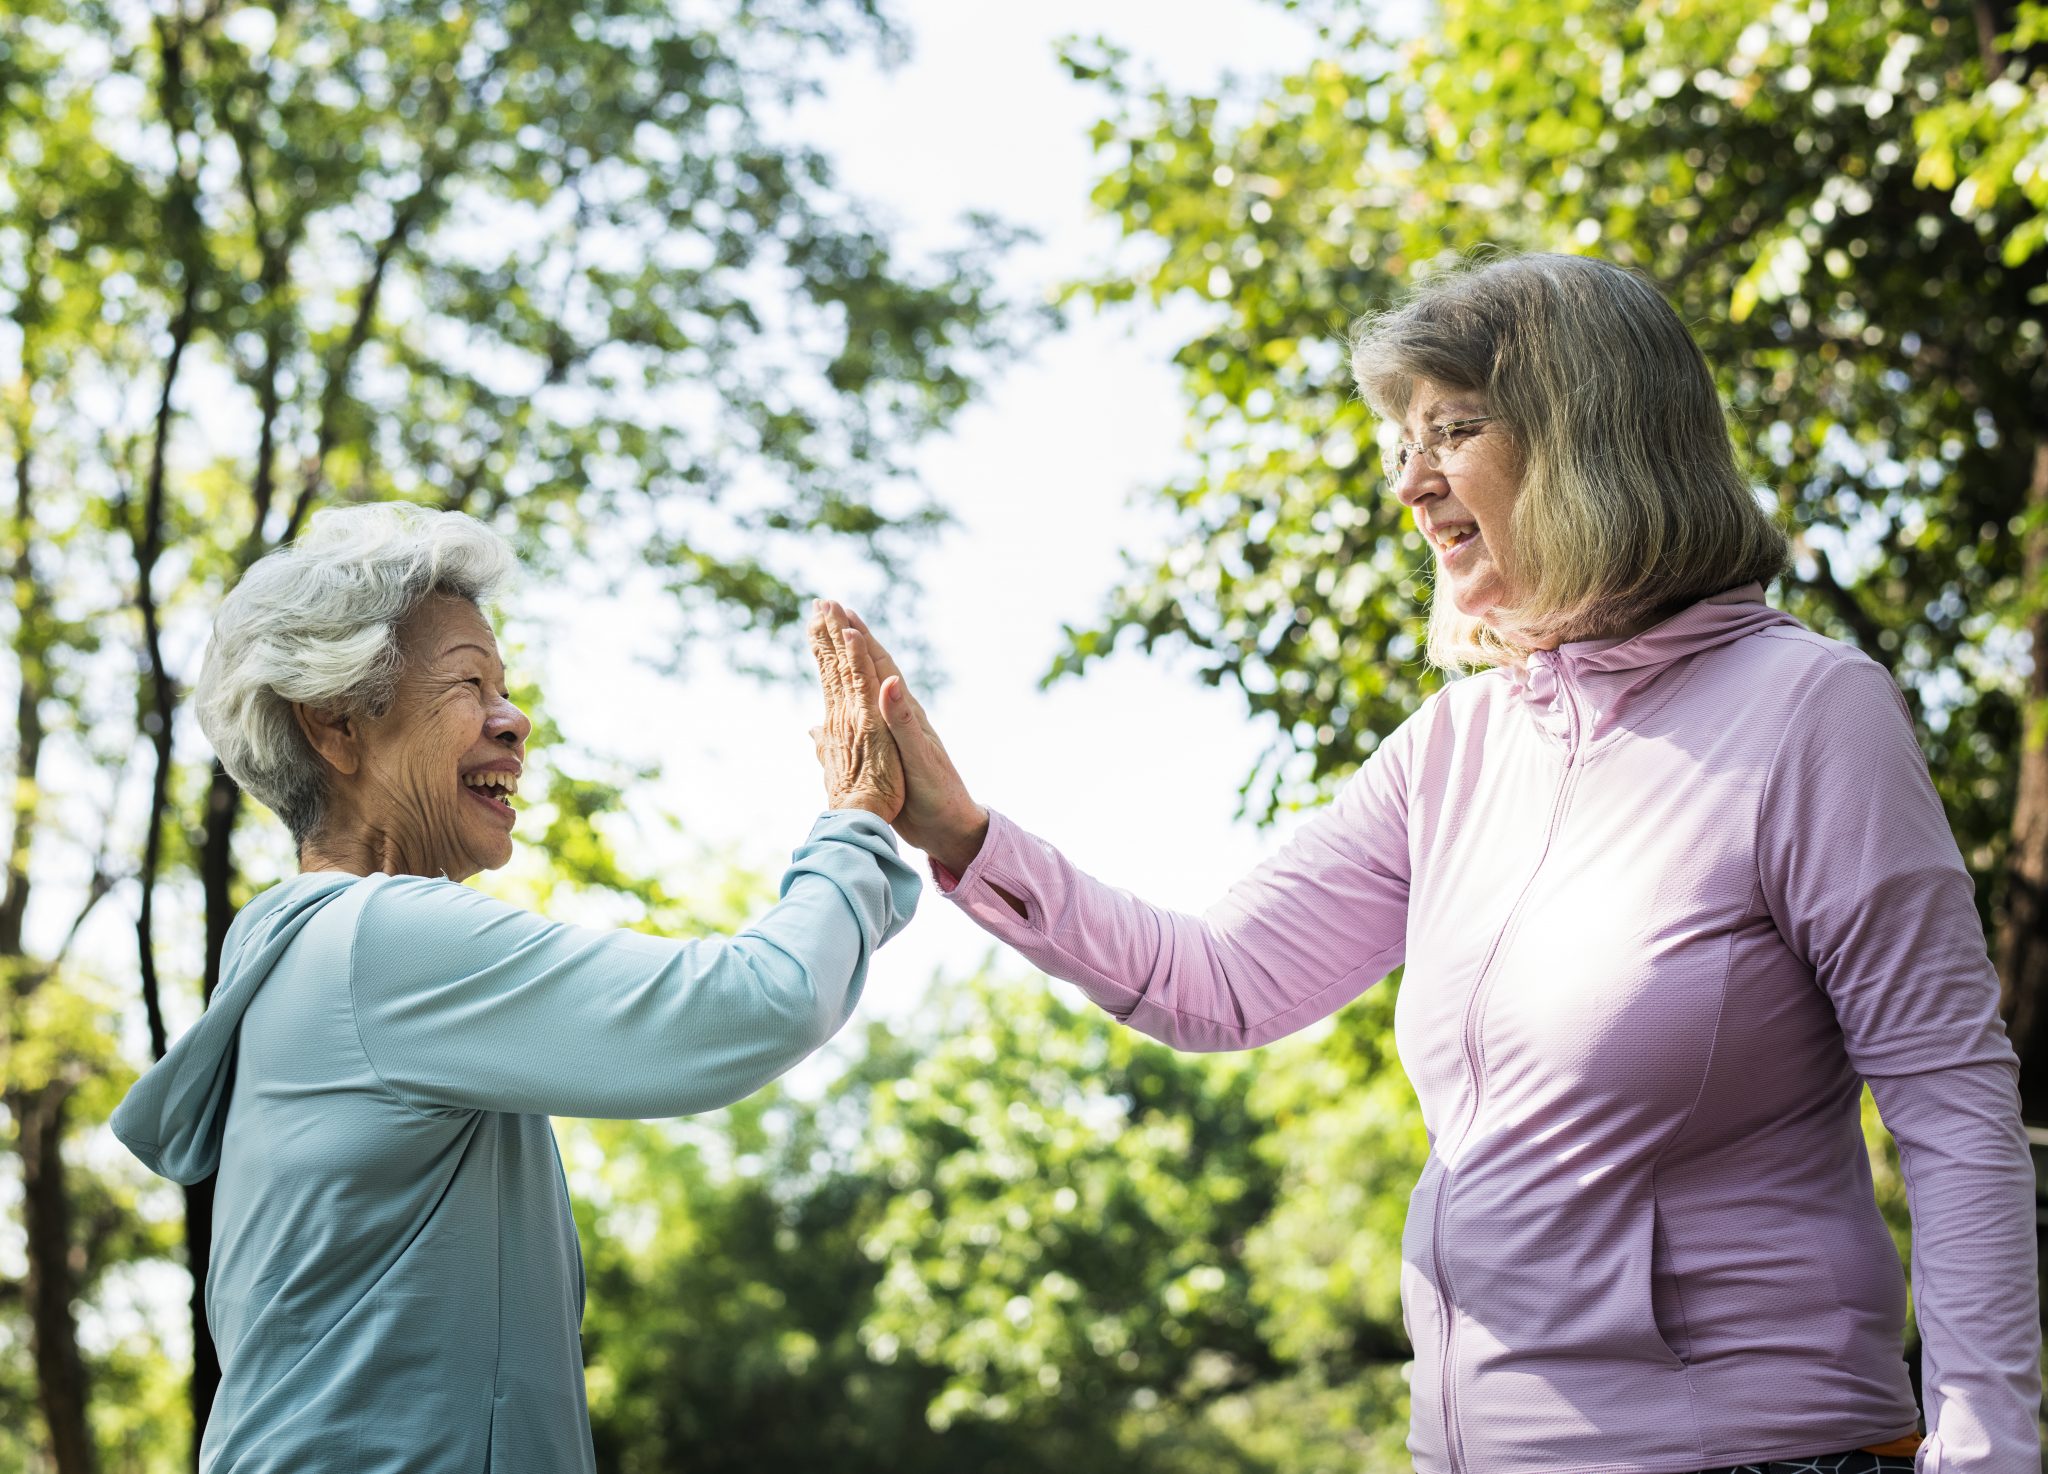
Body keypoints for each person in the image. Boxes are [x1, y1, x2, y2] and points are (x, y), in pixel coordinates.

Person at [816, 253, 2041, 1473]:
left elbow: (1952, 1106)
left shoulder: (1810, 711)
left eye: (1451, 429)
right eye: (1401, 441)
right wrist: (966, 837)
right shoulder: (1452, 746)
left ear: (1593, 438)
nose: (1409, 482)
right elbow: (1219, 982)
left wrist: (1985, 1450)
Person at [113, 503, 916, 1473]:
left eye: (505, 685)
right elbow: (759, 1001)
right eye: (468, 684)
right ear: (333, 724)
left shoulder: (302, 960)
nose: (513, 717)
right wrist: (859, 817)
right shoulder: (378, 941)